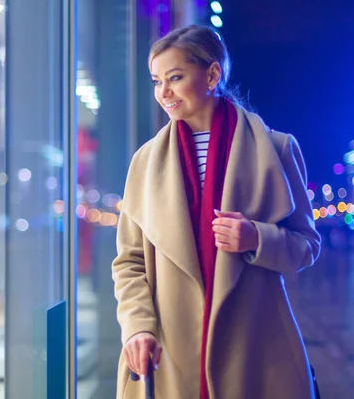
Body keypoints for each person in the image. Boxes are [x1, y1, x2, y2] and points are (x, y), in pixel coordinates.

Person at [112, 25, 321, 399]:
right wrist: (138, 327)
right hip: (170, 352)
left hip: (256, 352)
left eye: (175, 77)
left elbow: (306, 246)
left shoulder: (277, 149)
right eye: (157, 81)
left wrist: (256, 238)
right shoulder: (144, 162)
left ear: (212, 74)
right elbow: (129, 262)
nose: (164, 92)